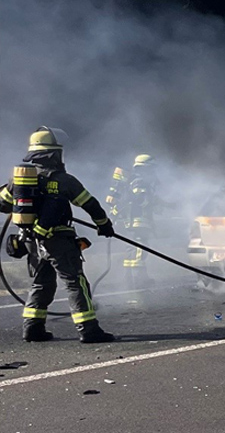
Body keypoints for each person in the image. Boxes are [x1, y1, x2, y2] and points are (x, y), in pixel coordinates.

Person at [0, 127, 117, 343]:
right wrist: (104, 225)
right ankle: (89, 330)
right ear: (54, 153)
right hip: (58, 240)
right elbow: (91, 205)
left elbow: (3, 204)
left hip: (31, 240)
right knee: (74, 281)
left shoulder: (19, 178)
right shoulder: (64, 180)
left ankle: (33, 329)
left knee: (41, 283)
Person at [108, 154, 158, 286]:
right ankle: (138, 279)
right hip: (138, 223)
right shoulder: (140, 181)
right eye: (152, 169)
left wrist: (167, 205)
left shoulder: (134, 180)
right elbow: (136, 199)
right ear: (145, 168)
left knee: (131, 250)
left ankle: (129, 278)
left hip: (131, 222)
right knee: (140, 250)